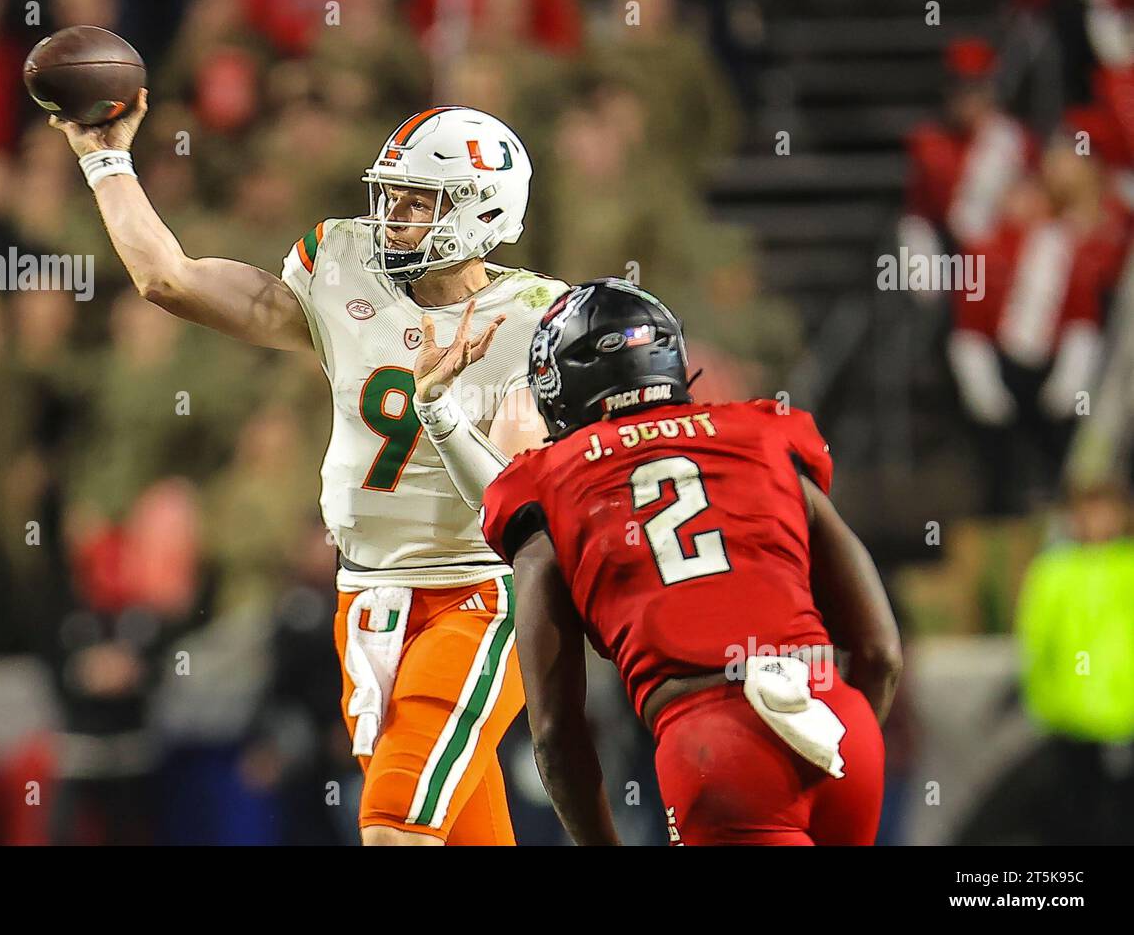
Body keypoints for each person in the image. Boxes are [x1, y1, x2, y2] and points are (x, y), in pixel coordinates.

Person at [48, 98, 565, 845]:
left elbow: (527, 517)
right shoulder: (342, 265)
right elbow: (168, 278)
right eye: (392, 196)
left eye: (420, 202)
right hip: (366, 597)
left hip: (476, 598)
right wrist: (105, 159)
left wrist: (465, 424)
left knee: (392, 824)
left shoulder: (536, 319)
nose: (395, 217)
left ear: (482, 212)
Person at [468, 278, 902, 844]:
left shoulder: (545, 485)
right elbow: (881, 652)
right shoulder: (761, 434)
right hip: (838, 720)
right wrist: (840, 740)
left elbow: (554, 732)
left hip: (715, 746)